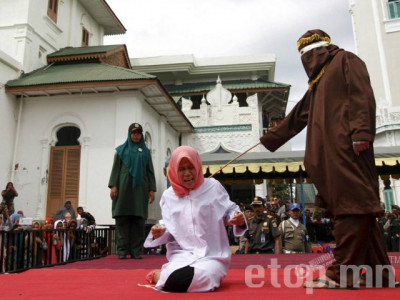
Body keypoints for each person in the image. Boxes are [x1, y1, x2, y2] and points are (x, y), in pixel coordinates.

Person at [259, 29, 396, 288]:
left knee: (351, 208)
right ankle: (381, 275)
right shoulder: (318, 82)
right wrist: (269, 138)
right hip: (330, 154)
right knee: (361, 211)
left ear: (321, 49)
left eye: (309, 54)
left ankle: (342, 273)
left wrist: (361, 132)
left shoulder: (346, 60)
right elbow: (299, 115)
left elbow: (362, 94)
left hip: (349, 148)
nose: (307, 61)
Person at [143, 146, 246, 293]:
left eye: (191, 167)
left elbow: (230, 210)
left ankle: (160, 276)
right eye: (182, 169)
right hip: (183, 255)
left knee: (190, 278)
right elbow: (169, 228)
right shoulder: (168, 196)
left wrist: (237, 218)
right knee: (176, 278)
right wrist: (159, 232)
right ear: (174, 170)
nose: (187, 173)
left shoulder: (213, 187)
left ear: (197, 165)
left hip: (212, 256)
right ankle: (165, 275)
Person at [108, 123, 156, 259]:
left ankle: (136, 251)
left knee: (138, 220)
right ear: (129, 134)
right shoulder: (121, 150)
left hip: (140, 189)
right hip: (123, 189)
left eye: (138, 133)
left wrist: (151, 189)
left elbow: (150, 171)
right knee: (122, 219)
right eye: (134, 133)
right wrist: (113, 186)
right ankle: (122, 251)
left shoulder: (146, 152)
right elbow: (115, 169)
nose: (136, 135)